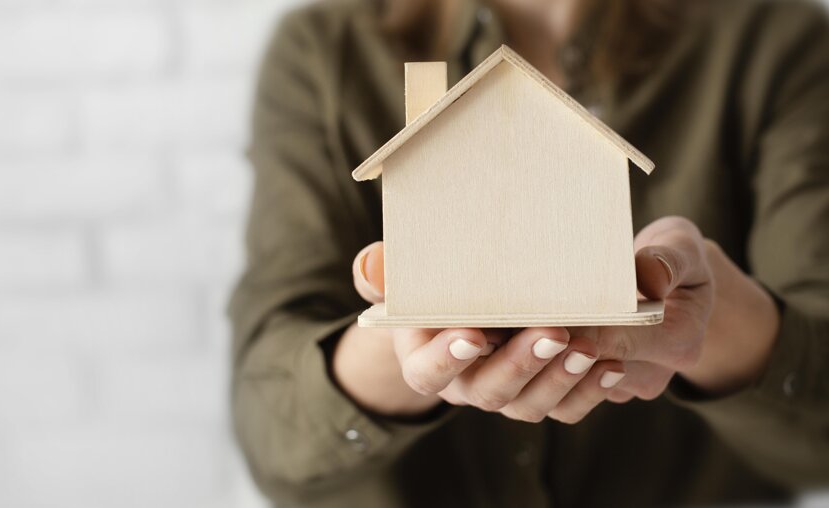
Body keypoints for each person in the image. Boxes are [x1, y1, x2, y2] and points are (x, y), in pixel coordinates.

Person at [228, 0, 829, 506]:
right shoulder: (325, 50)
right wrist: (409, 332)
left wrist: (711, 316)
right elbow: (273, 435)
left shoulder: (772, 42)